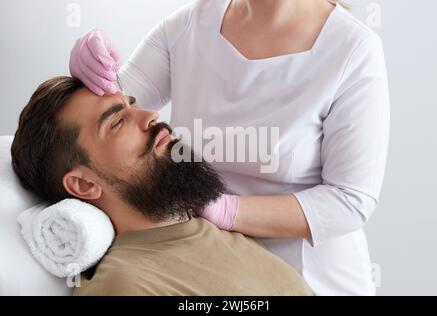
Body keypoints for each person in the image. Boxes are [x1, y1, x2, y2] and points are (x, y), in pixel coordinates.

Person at [69, 0, 390, 295]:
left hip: (309, 277)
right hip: (208, 263)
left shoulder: (352, 50)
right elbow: (106, 115)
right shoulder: (190, 25)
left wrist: (228, 211)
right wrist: (89, 75)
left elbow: (350, 200)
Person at [10, 76, 313, 296]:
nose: (150, 115)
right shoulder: (125, 286)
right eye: (116, 122)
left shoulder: (216, 233)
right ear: (83, 184)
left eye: (131, 105)